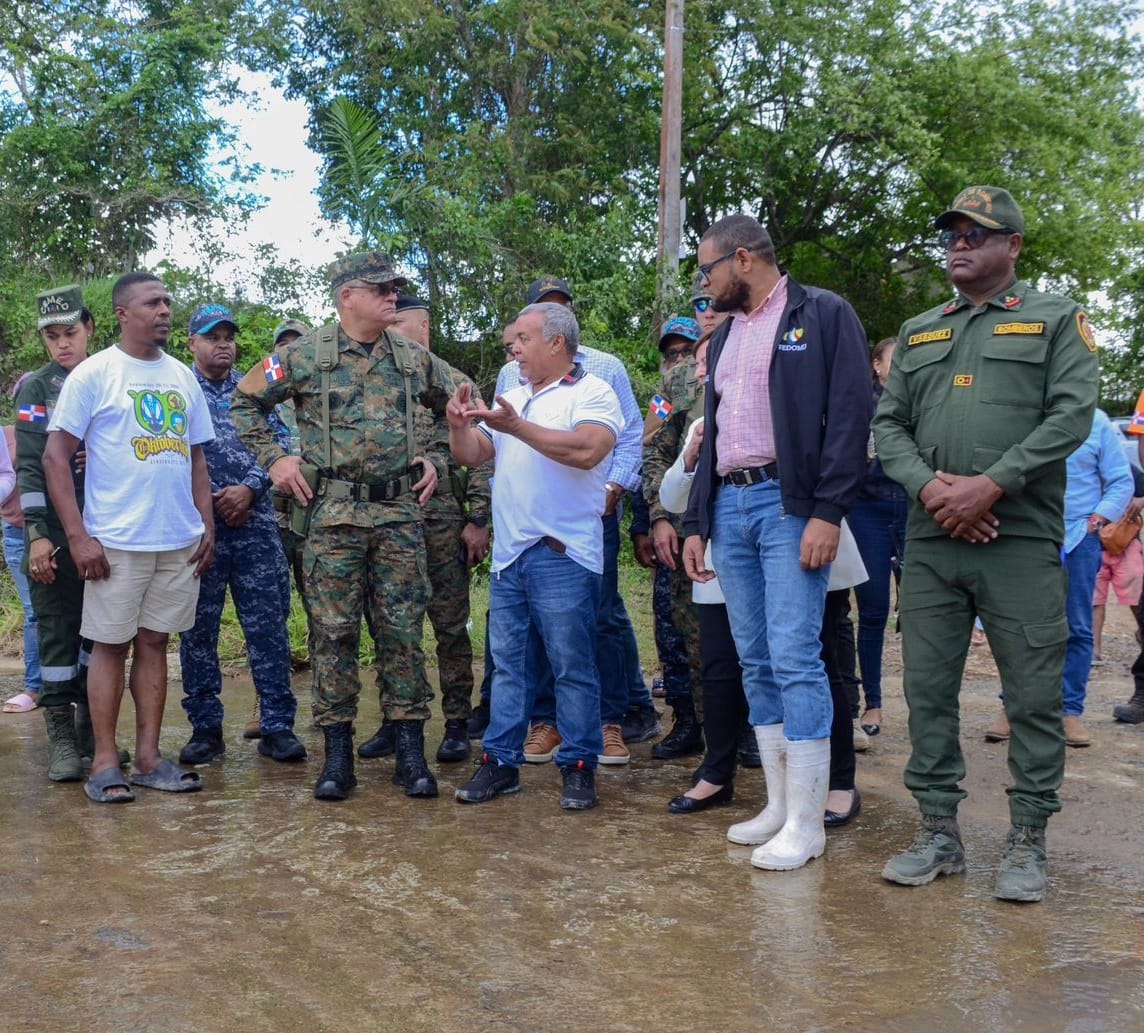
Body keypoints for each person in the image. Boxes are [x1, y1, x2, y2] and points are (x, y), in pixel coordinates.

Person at [873, 185, 1098, 902]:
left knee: (1032, 694)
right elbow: (888, 427)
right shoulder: (919, 330)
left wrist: (991, 484)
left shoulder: (1055, 320)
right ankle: (939, 831)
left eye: (977, 233)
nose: (960, 244)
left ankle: (1028, 839)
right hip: (933, 539)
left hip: (1019, 536)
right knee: (928, 691)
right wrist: (937, 492)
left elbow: (1072, 415)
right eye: (953, 233)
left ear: (1013, 246)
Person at [682, 213, 872, 872]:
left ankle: (808, 821)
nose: (702, 286)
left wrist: (827, 510)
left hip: (787, 504)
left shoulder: (821, 313)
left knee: (795, 653)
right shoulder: (729, 334)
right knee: (756, 657)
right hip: (731, 505)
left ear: (741, 260)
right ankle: (779, 804)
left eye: (706, 270)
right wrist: (697, 521)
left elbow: (851, 413)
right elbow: (712, 439)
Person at [232, 251, 456, 802]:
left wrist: (436, 457)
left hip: (400, 516)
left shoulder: (414, 358)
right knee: (333, 635)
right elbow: (245, 403)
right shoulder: (303, 356)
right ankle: (337, 757)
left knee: (403, 632)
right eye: (379, 289)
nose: (392, 297)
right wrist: (275, 460)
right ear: (346, 297)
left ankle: (410, 754)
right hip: (332, 517)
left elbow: (461, 408)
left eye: (395, 289)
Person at [44, 272, 216, 803]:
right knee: (109, 646)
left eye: (167, 301)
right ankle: (102, 762)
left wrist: (205, 525)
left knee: (155, 644)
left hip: (176, 539)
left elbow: (196, 459)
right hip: (116, 540)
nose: (164, 310)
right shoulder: (95, 375)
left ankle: (147, 759)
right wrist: (77, 538)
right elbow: (54, 457)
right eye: (152, 303)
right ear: (123, 313)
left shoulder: (183, 377)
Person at [450, 302, 622, 810]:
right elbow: (472, 454)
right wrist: (459, 424)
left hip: (563, 556)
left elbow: (587, 451)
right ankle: (501, 764)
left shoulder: (593, 392)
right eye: (510, 343)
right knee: (506, 666)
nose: (513, 350)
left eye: (521, 340)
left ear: (556, 341)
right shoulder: (514, 398)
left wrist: (516, 427)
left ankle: (579, 766)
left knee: (572, 667)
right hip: (510, 558)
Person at [497, 277, 654, 764]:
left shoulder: (604, 371)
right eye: (535, 310)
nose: (519, 347)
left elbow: (627, 436)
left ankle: (609, 722)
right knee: (534, 638)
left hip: (587, 515)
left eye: (555, 307)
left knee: (597, 623)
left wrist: (615, 487)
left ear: (561, 329)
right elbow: (498, 443)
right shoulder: (511, 377)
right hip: (518, 535)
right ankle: (546, 724)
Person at [356, 294, 491, 766]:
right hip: (387, 523)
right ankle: (396, 720)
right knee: (391, 626)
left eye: (411, 324)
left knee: (450, 625)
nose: (409, 332)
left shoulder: (450, 381)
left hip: (442, 522)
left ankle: (456, 723)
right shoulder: (374, 375)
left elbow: (479, 450)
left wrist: (478, 519)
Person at [177, 304, 305, 766]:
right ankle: (205, 729)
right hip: (199, 531)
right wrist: (210, 499)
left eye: (229, 337)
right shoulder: (178, 391)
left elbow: (284, 443)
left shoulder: (252, 391)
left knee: (268, 630)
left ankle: (276, 727)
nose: (223, 345)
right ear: (192, 343)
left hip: (255, 528)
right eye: (212, 337)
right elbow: (166, 454)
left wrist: (250, 488)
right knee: (197, 633)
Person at [983, 409, 1130, 749]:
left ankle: (1069, 711)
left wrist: (1098, 520)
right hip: (1028, 534)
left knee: (1077, 626)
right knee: (1020, 625)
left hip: (1079, 536)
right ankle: (1013, 707)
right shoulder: (1024, 413)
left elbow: (1120, 480)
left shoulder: (1096, 423)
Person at [642, 319, 709, 760]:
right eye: (672, 353)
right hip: (683, 526)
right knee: (678, 632)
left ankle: (739, 728)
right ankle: (688, 720)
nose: (680, 360)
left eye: (688, 351)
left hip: (739, 519)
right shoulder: (668, 391)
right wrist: (659, 516)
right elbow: (651, 450)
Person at [847, 338, 908, 737]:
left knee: (922, 613)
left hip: (913, 509)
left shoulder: (921, 401)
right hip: (866, 511)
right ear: (876, 365)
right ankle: (873, 703)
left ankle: (926, 703)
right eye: (896, 358)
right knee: (872, 611)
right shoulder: (858, 402)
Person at [2, 375, 41, 714]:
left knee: (71, 612)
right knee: (34, 613)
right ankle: (34, 687)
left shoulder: (66, 434)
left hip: (62, 531)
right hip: (18, 532)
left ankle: (71, 685)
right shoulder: (6, 437)